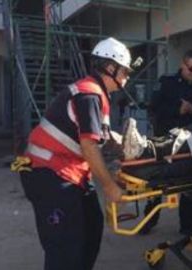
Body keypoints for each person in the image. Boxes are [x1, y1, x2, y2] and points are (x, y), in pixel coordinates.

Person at [18, 37, 131, 270]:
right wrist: (109, 186)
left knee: (91, 229)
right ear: (110, 68)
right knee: (66, 248)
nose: (126, 78)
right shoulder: (89, 94)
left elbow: (100, 139)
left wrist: (127, 149)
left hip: (71, 172)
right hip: (49, 173)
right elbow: (89, 147)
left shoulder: (97, 95)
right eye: (124, 72)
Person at [150, 49, 192, 235]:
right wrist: (178, 110)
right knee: (157, 185)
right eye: (191, 69)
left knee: (189, 187)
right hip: (168, 142)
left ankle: (186, 229)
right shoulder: (167, 82)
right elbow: (153, 108)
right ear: (183, 64)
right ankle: (150, 218)